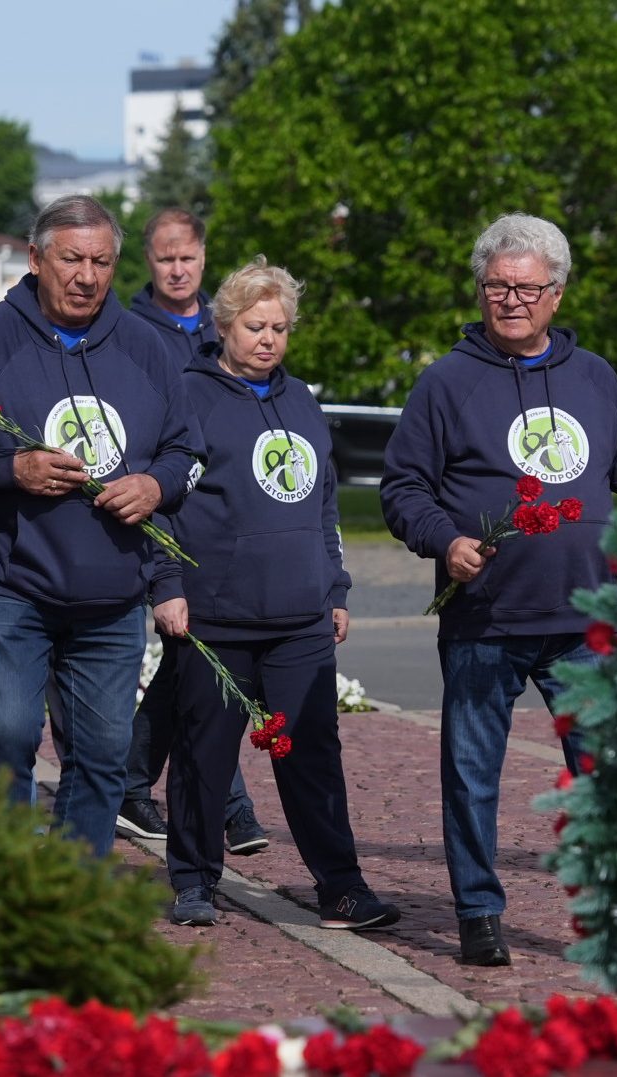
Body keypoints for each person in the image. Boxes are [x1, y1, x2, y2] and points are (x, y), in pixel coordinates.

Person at [379, 213, 617, 965]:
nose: (511, 299)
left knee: (606, 772)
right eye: (497, 284)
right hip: (485, 614)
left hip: (585, 613)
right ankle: (480, 912)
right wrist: (444, 540)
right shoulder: (445, 382)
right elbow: (401, 488)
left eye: (527, 286)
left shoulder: (594, 375)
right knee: (470, 773)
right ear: (481, 289)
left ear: (557, 292)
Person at [0, 194, 204, 857]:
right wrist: (7, 470)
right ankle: (1, 876)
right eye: (71, 259)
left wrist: (155, 484)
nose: (87, 276)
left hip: (113, 587)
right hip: (10, 580)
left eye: (101, 261)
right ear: (37, 259)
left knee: (103, 750)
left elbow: (189, 453)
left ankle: (71, 892)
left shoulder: (148, 348)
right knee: (7, 731)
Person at [149, 257, 396, 929]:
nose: (268, 339)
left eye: (280, 328)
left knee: (311, 752)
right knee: (205, 754)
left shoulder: (301, 400)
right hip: (217, 615)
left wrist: (336, 586)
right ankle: (195, 878)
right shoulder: (189, 394)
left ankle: (341, 888)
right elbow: (162, 500)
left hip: (300, 619)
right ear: (225, 324)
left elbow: (322, 501)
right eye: (255, 325)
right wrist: (166, 584)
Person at [116, 207, 266, 854]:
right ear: (149, 262)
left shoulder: (222, 325)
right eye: (165, 258)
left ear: (204, 258)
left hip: (222, 511)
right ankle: (232, 807)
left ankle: (129, 776)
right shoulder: (126, 330)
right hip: (160, 504)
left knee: (189, 659)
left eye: (188, 257)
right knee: (198, 653)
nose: (177, 269)